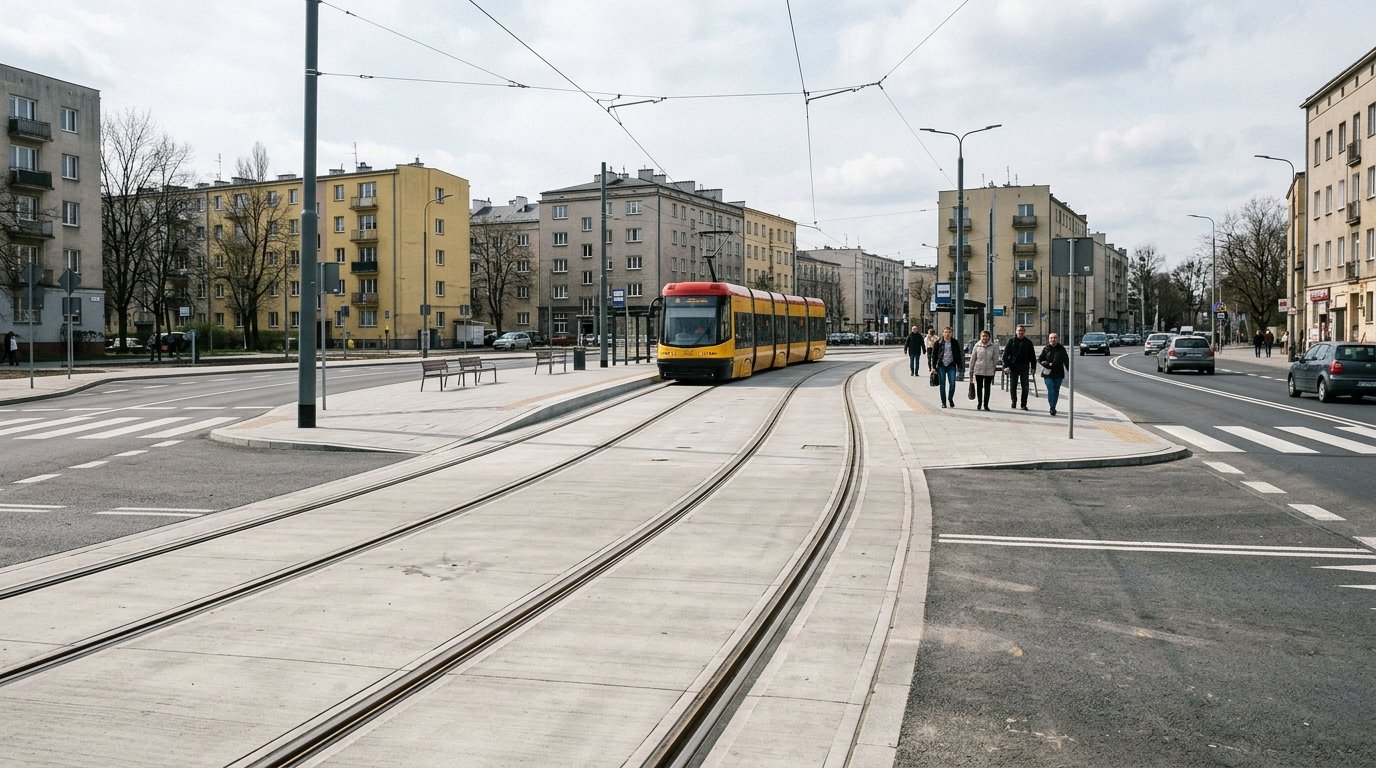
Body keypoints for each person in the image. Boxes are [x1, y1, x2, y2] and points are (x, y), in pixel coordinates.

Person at [1001, 324, 1036, 411]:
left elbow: (1033, 356)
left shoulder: (1028, 342)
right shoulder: (1011, 341)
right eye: (1019, 330)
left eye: (1022, 331)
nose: (1021, 332)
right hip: (1013, 367)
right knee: (1013, 386)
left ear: (1025, 332)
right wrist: (1006, 366)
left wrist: (1033, 367)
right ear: (1016, 331)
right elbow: (1005, 355)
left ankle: (1023, 404)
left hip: (1024, 367)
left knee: (1025, 386)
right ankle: (1014, 401)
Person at [928, 326, 964, 408]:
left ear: (952, 333)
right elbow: (934, 355)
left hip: (951, 365)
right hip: (941, 365)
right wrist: (933, 367)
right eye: (945, 332)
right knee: (942, 384)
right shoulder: (938, 342)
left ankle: (950, 398)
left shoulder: (955, 342)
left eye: (949, 332)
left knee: (952, 384)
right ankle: (943, 402)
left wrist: (960, 366)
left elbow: (958, 355)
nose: (947, 334)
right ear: (943, 333)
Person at [1037, 332, 1070, 416]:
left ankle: (1053, 406)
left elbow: (1066, 360)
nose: (1053, 339)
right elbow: (1040, 359)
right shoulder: (1046, 349)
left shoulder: (1061, 349)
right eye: (1051, 338)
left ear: (1057, 339)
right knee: (1051, 389)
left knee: (1056, 391)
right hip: (1048, 373)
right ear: (1049, 339)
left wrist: (1070, 370)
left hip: (1058, 373)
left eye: (1054, 338)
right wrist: (1046, 364)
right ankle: (1052, 408)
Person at [968, 329, 999, 411]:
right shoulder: (977, 345)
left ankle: (986, 404)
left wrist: (993, 367)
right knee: (979, 387)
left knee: (987, 388)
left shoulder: (993, 346)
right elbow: (973, 358)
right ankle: (979, 403)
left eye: (986, 336)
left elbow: (996, 358)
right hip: (979, 369)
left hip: (989, 370)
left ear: (989, 337)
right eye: (982, 336)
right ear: (980, 337)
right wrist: (971, 369)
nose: (984, 337)